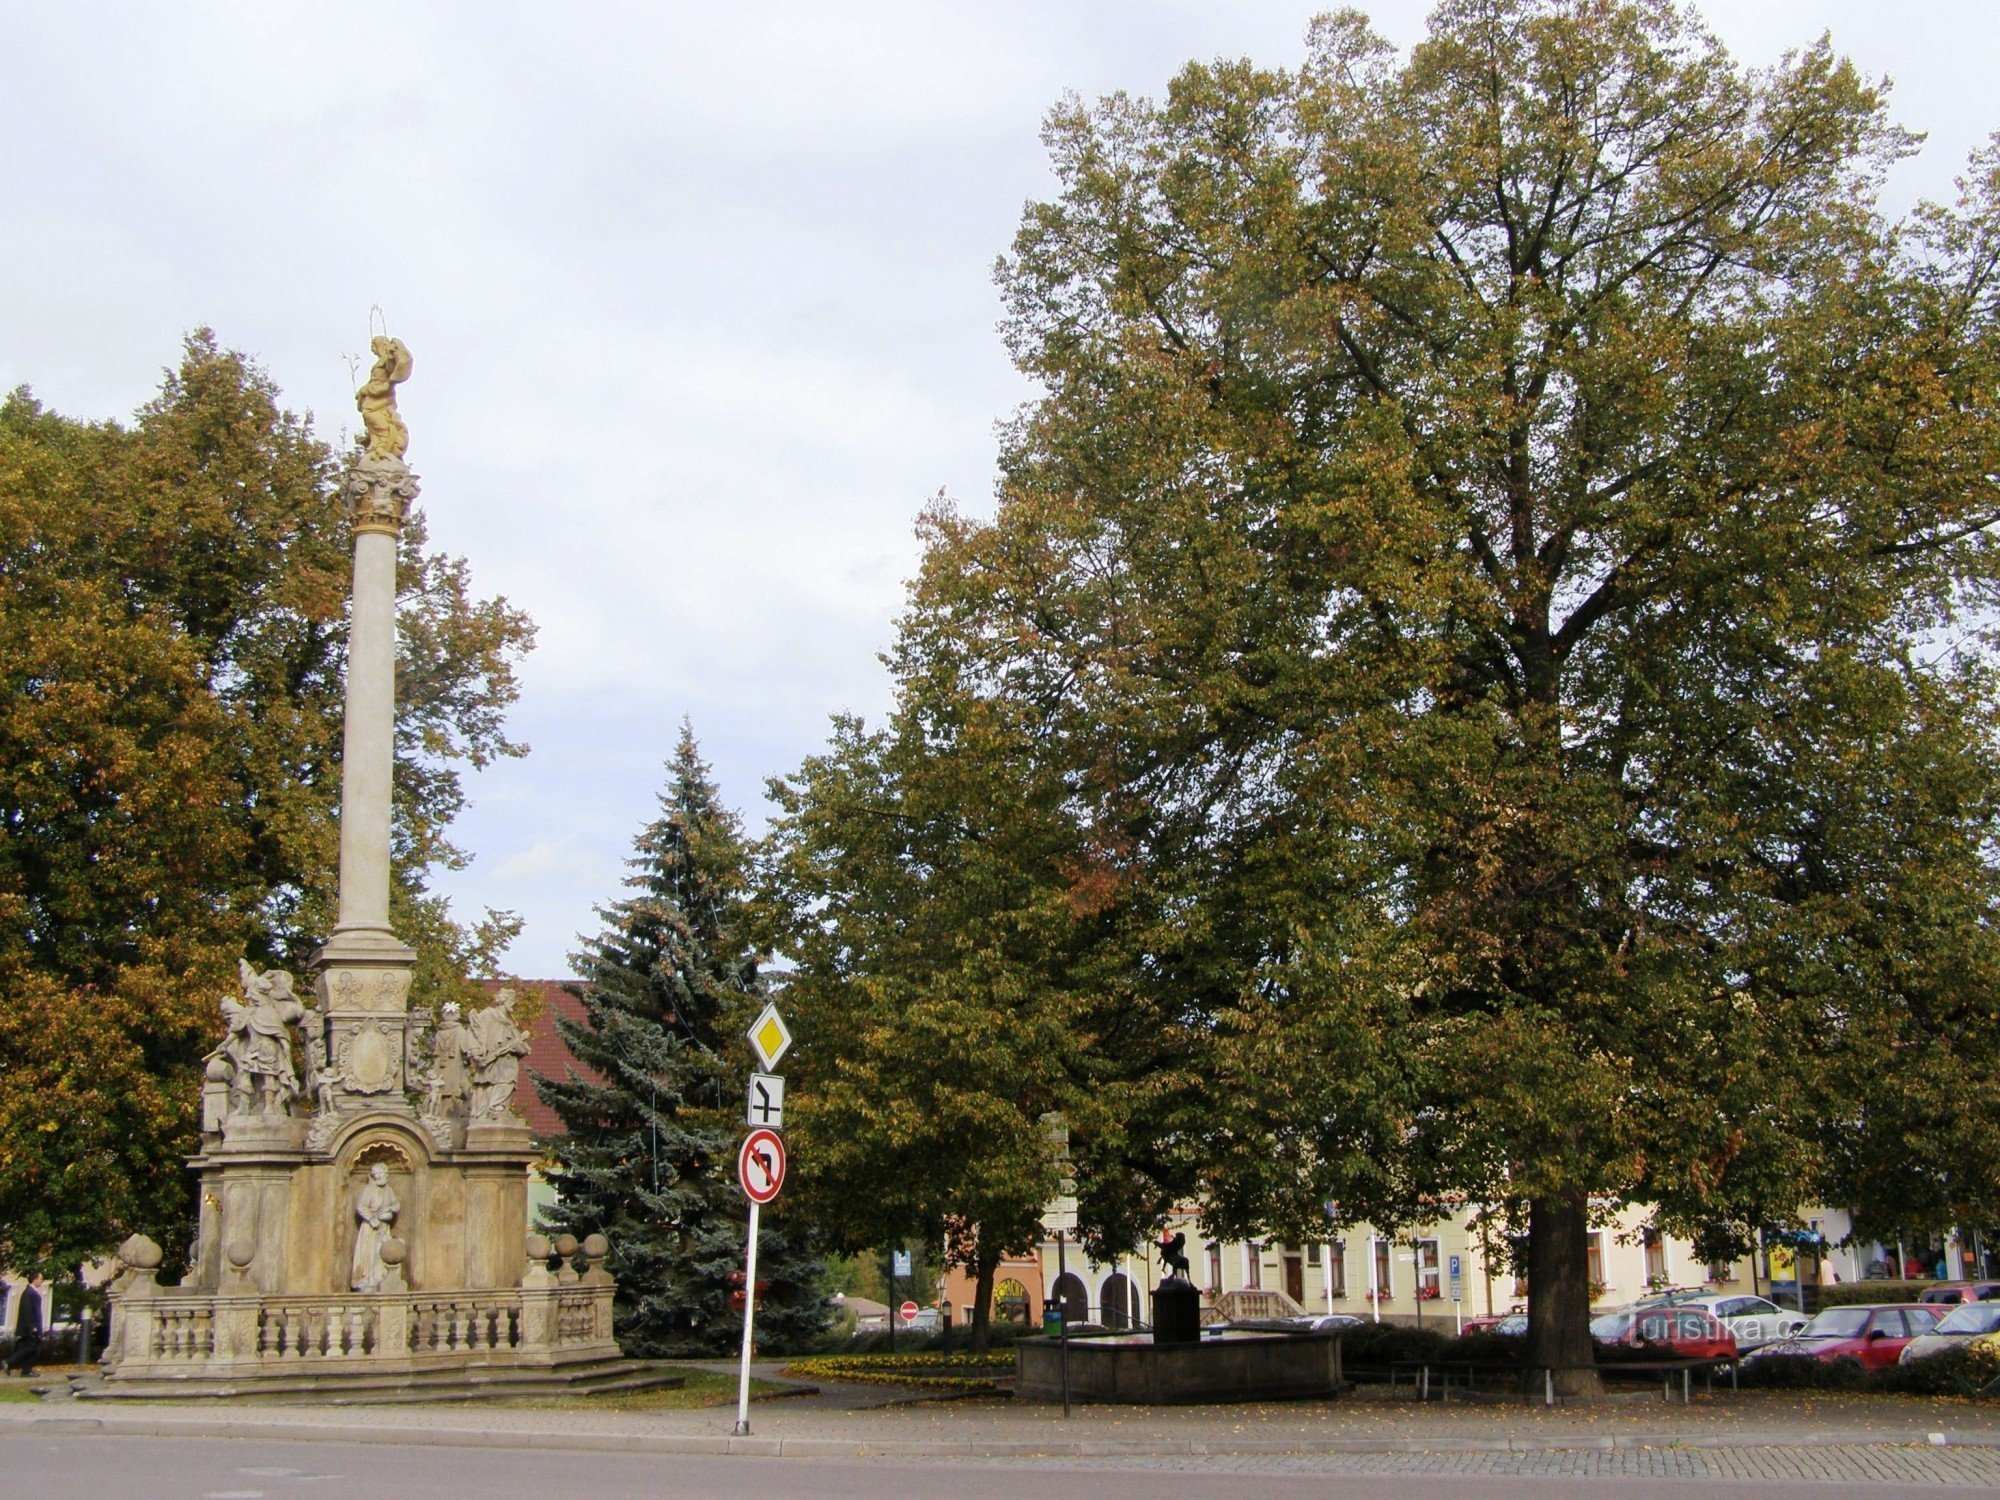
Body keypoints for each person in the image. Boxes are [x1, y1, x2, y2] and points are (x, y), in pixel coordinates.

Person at [3, 1274, 45, 1375]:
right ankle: (9, 1362)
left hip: (33, 1326)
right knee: (33, 1349)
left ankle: (26, 1370)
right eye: (40, 1279)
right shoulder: (29, 1293)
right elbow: (27, 1310)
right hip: (30, 1328)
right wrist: (32, 1326)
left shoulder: (32, 1292)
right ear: (34, 1280)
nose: (41, 1281)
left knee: (32, 1349)